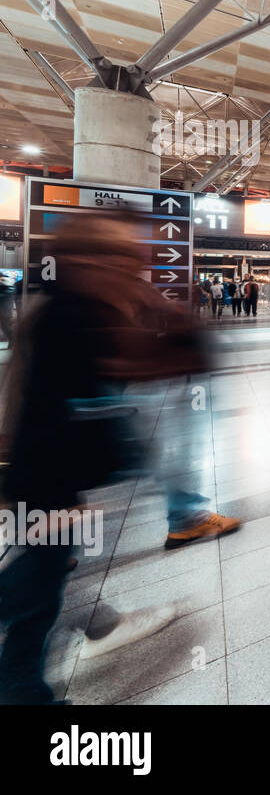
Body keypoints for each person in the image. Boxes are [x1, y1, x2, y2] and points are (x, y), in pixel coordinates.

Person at [0, 215, 238, 703]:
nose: (133, 271)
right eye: (124, 260)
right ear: (90, 261)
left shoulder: (78, 312)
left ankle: (25, 686)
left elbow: (132, 374)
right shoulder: (64, 318)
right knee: (34, 594)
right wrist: (53, 499)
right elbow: (47, 409)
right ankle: (23, 692)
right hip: (48, 482)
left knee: (45, 591)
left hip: (57, 482)